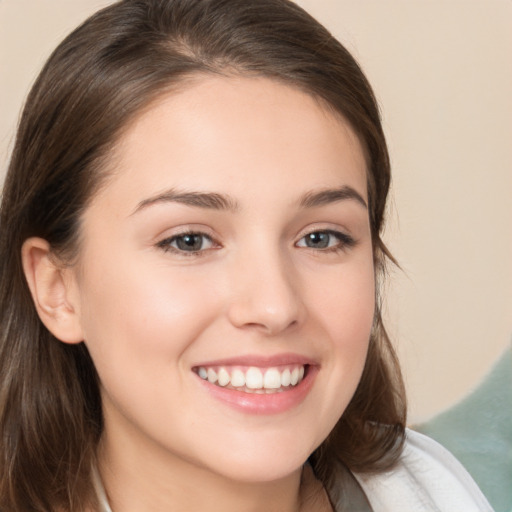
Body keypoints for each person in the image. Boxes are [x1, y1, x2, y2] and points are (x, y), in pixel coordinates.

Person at [0, 0, 493, 510]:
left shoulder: (430, 491)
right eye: (189, 240)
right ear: (57, 288)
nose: (274, 306)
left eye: (320, 237)